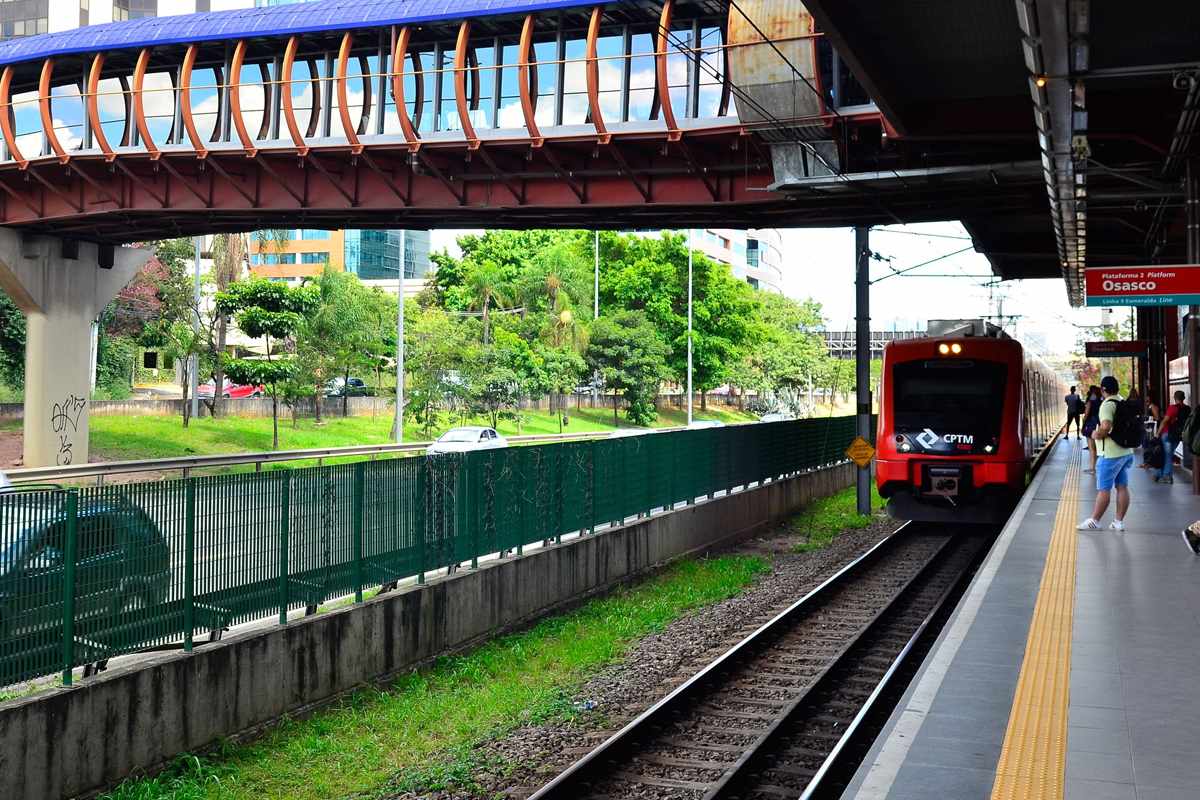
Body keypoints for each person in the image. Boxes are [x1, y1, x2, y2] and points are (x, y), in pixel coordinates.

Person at [1078, 376, 1133, 532]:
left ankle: (1095, 520)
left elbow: (1106, 425)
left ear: (1103, 390)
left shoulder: (1107, 405)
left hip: (1110, 454)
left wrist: (1097, 434)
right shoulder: (1122, 401)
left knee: (1104, 489)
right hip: (1125, 452)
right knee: (1122, 487)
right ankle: (1118, 522)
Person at [1156, 391, 1190, 484]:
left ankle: (1166, 476)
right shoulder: (1188, 409)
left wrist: (1158, 433)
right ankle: (1166, 475)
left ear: (1175, 398)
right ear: (1183, 398)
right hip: (1177, 436)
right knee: (1169, 455)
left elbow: (1164, 421)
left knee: (1167, 456)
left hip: (1167, 434)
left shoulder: (1173, 408)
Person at [1081, 385, 1101, 471]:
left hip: (1090, 424)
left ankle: (1092, 468)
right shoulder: (1100, 400)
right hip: (1098, 423)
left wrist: (1083, 423)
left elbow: (1086, 414)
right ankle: (1095, 467)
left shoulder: (1090, 401)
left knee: (1091, 448)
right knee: (1096, 448)